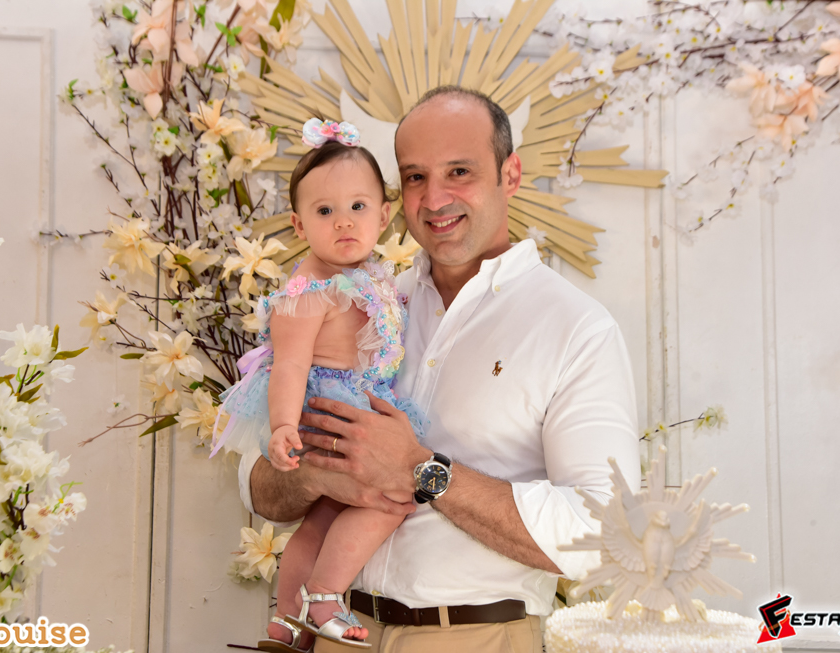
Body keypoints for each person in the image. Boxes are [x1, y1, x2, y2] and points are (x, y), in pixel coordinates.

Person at [237, 86, 641, 653]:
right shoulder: (370, 304)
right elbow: (257, 488)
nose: (434, 198)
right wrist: (316, 473)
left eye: (459, 171)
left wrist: (423, 471)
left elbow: (604, 534)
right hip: (341, 633)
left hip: (474, 638)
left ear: (510, 174)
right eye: (416, 177)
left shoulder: (575, 327)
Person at [213, 118, 427, 651]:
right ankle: (325, 596)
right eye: (325, 211)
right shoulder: (308, 290)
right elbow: (288, 365)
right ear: (299, 224)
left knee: (323, 517)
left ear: (384, 215)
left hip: (358, 404)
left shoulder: (371, 274)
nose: (344, 221)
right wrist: (285, 425)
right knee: (392, 496)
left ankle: (287, 620)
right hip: (333, 411)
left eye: (358, 206)